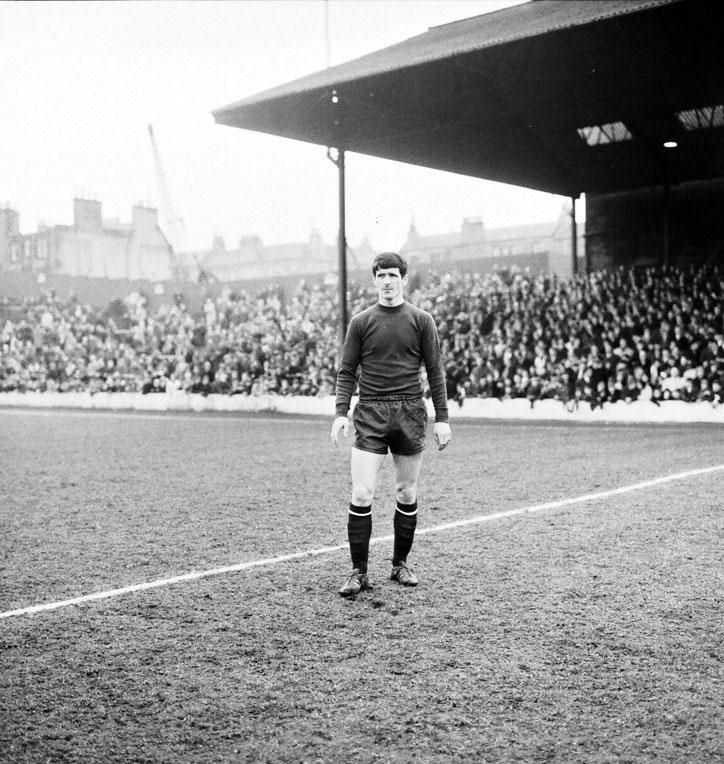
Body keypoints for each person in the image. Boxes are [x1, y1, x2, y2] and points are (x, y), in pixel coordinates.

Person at [331, 252, 452, 598]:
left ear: (403, 278)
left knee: (406, 491)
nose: (387, 281)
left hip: (410, 411)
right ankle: (358, 572)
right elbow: (347, 371)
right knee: (361, 492)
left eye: (393, 275)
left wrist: (441, 418)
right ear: (374, 280)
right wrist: (342, 412)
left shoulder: (421, 320)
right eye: (381, 275)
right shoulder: (361, 322)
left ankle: (400, 564)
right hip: (370, 411)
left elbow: (435, 372)